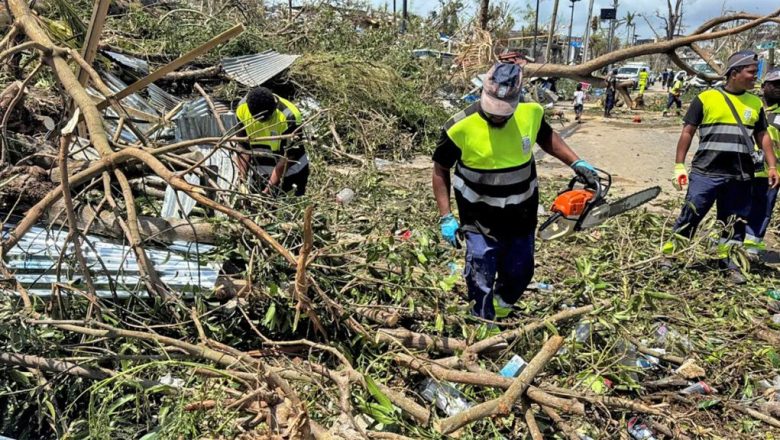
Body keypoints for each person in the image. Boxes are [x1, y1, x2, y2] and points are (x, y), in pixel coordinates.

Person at [432, 62, 599, 321]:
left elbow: (547, 138)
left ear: (518, 97)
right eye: (493, 109)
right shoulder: (459, 127)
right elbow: (440, 169)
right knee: (480, 276)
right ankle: (483, 323)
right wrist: (446, 216)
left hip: (521, 215)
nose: (498, 115)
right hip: (478, 219)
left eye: (504, 111)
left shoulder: (530, 114)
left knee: (521, 271)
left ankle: (501, 305)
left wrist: (576, 162)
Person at [662, 51, 779, 284]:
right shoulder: (705, 99)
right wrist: (679, 165)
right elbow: (688, 132)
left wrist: (773, 165)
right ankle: (670, 256)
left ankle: (728, 262)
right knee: (691, 214)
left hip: (740, 175)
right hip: (706, 172)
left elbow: (762, 135)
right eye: (750, 72)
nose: (754, 77)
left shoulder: (755, 103)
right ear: (734, 73)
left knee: (733, 221)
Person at [236, 86, 308, 196]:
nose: (263, 122)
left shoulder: (289, 116)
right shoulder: (242, 109)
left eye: (267, 118)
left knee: (288, 207)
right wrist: (242, 181)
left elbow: (287, 158)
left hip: (291, 173)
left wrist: (267, 191)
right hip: (261, 172)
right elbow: (243, 147)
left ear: (274, 107)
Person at [745, 67, 780, 257]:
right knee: (737, 208)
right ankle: (731, 245)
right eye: (775, 84)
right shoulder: (751, 106)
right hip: (743, 169)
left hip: (770, 174)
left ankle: (751, 250)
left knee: (762, 210)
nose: (778, 88)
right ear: (764, 85)